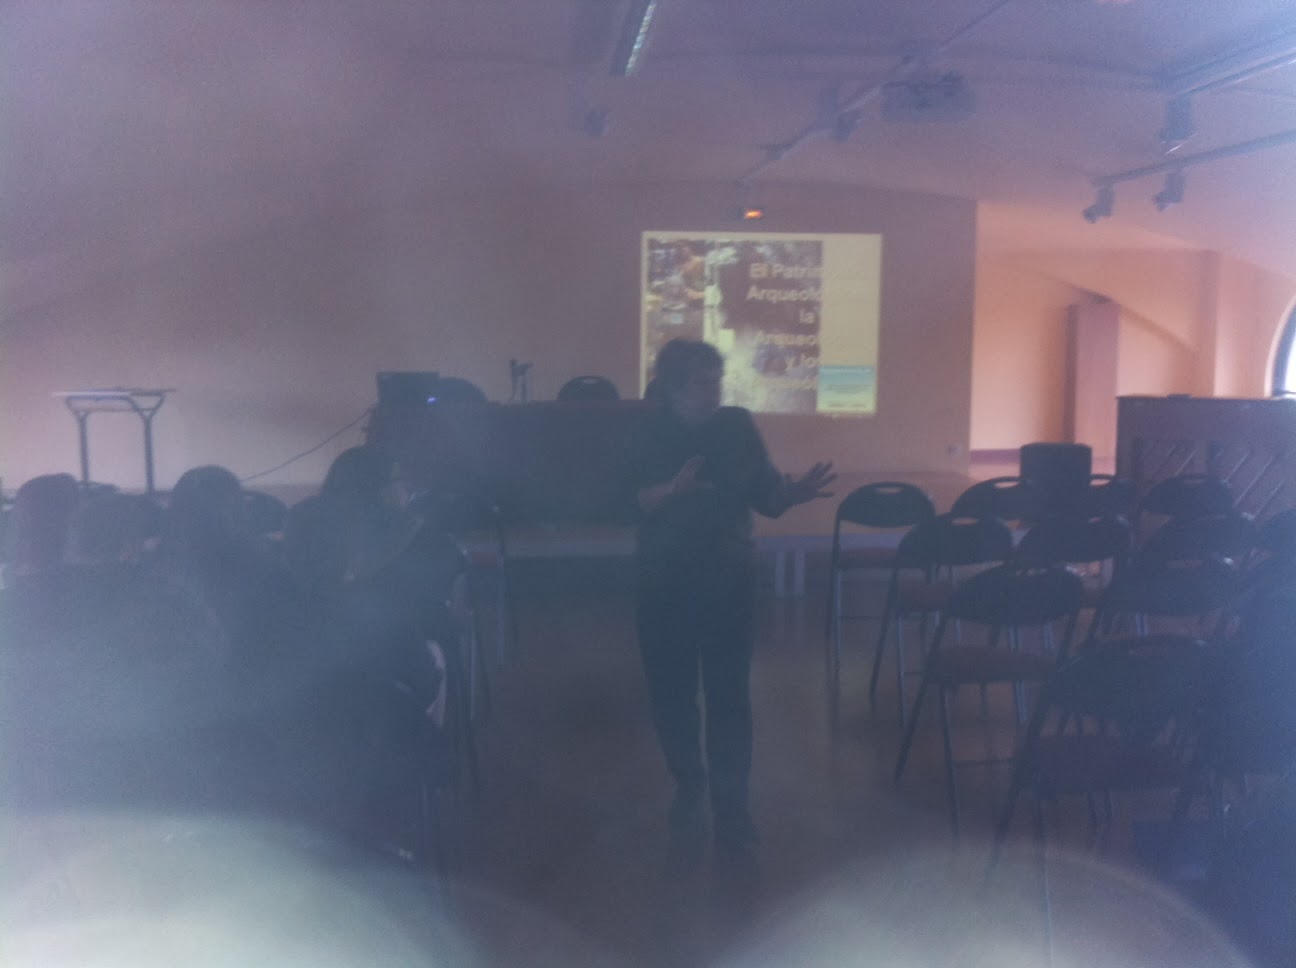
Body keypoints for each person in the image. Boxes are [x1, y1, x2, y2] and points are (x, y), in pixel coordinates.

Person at [625, 338, 836, 860]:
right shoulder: (647, 430)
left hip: (729, 581)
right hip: (664, 584)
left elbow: (766, 495)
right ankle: (689, 781)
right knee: (672, 697)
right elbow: (627, 500)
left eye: (718, 380)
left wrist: (792, 494)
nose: (715, 391)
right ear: (673, 387)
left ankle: (733, 809)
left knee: (730, 699)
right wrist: (670, 491)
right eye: (704, 382)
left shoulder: (737, 426)